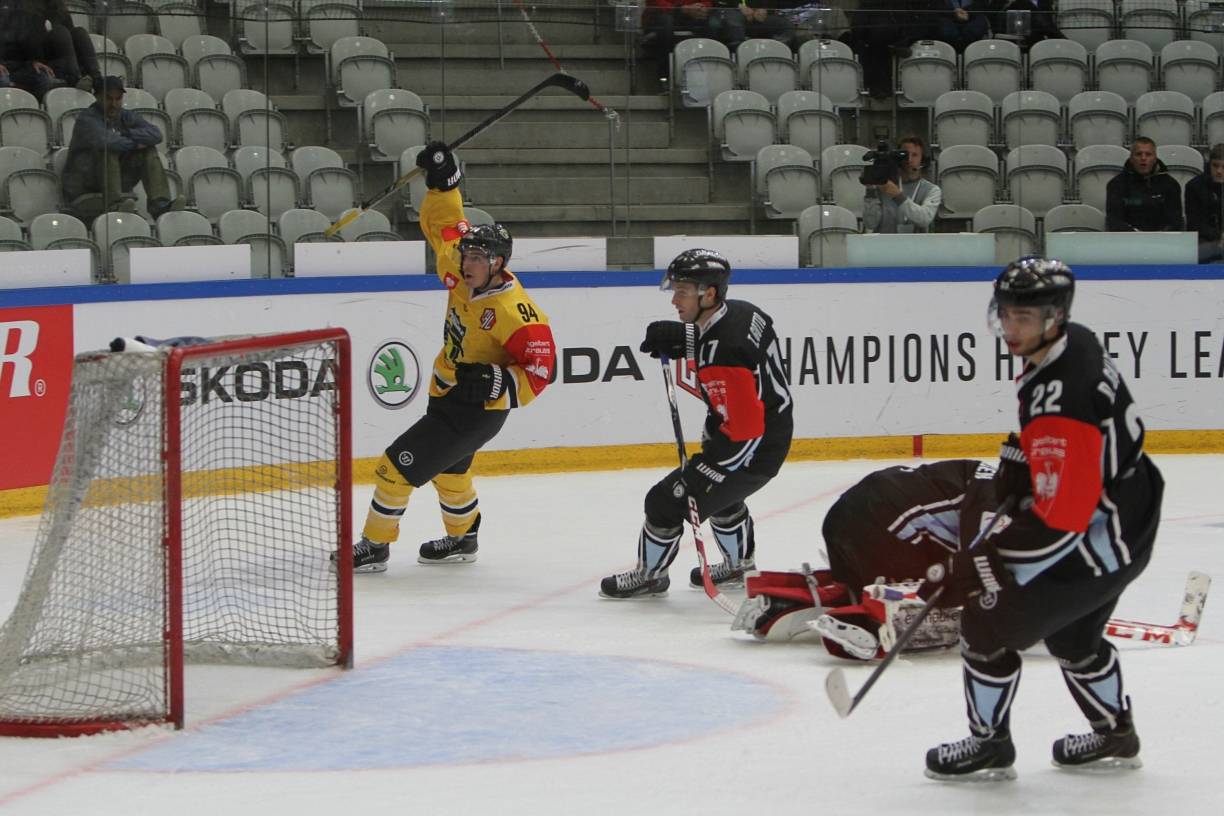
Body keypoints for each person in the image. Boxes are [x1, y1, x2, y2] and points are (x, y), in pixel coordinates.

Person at [918, 257, 1163, 780]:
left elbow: (1063, 521)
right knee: (1074, 637)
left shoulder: (1060, 401)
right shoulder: (1076, 341)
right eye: (1006, 313)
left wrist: (983, 564)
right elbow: (1086, 453)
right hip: (1131, 513)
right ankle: (1115, 735)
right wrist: (1031, 460)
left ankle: (989, 744)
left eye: (1024, 317)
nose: (1011, 327)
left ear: (1054, 316)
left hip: (1098, 539)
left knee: (983, 625)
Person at [337, 141, 557, 573]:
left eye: (478, 257)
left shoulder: (516, 312)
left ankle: (375, 545)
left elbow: (541, 370)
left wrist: (497, 382)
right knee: (451, 473)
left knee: (393, 469)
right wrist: (443, 182)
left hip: (477, 410)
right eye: (468, 255)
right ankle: (462, 539)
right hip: (447, 394)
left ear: (498, 263)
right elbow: (446, 227)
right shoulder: (460, 268)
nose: (467, 262)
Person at [599, 249, 794, 599]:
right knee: (723, 499)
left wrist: (708, 470)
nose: (674, 300)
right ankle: (738, 566)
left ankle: (650, 576)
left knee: (663, 502)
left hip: (751, 447)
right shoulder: (743, 311)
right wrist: (689, 339)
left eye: (683, 292)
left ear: (709, 294)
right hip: (769, 429)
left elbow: (746, 430)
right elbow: (737, 348)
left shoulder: (723, 355)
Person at [732, 458, 999, 657]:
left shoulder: (988, 478)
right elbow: (976, 567)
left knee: (860, 588)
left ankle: (783, 603)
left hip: (847, 517)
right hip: (880, 524)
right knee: (957, 594)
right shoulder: (996, 499)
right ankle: (868, 623)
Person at [60, 75, 185, 221]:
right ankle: (114, 205)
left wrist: (126, 133)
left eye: (118, 99)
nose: (114, 104)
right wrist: (136, 143)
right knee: (109, 149)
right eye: (108, 99)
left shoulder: (125, 115)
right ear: (97, 97)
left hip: (113, 178)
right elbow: (108, 142)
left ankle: (159, 205)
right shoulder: (86, 119)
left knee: (148, 150)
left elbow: (156, 135)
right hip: (84, 182)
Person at [641, 0, 745, 81]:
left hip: (690, 14)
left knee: (712, 23)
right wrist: (682, 9)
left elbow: (707, 2)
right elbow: (657, 3)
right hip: (661, 14)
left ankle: (709, 71)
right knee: (666, 23)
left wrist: (702, 8)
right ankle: (665, 75)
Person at [862, 135, 942, 234]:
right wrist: (870, 192)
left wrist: (897, 195)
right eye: (905, 154)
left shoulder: (932, 190)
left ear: (923, 159)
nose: (909, 159)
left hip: (914, 243)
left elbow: (924, 219)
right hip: (883, 242)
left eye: (915, 155)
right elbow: (870, 223)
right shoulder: (883, 185)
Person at [1105, 137, 1184, 232]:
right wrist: (1137, 234)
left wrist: (1159, 236)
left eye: (1148, 154)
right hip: (1128, 238)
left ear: (1155, 158)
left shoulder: (1170, 184)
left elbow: (1174, 221)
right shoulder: (1116, 185)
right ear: (1131, 158)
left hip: (1162, 239)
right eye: (1138, 154)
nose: (1143, 158)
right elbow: (1114, 220)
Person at [1184, 143, 1224, 264]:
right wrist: (1218, 237)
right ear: (1209, 164)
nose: (1219, 171)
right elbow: (1194, 223)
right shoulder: (1194, 187)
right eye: (1215, 166)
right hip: (1205, 241)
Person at [990, 0, 1065, 50]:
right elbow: (993, 13)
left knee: (1038, 29)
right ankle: (1061, 39)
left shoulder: (1044, 2)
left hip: (1034, 31)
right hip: (1009, 27)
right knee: (1025, 4)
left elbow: (1048, 17)